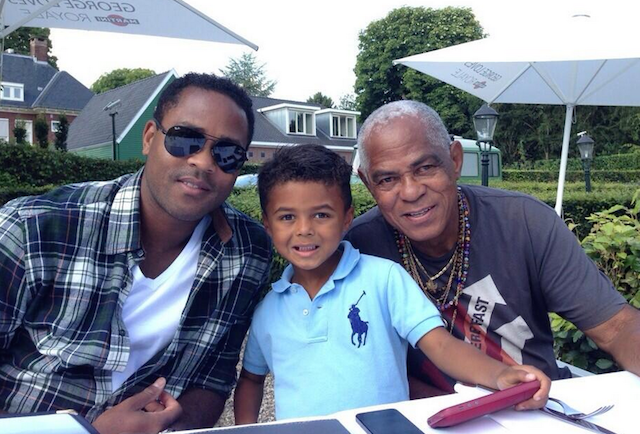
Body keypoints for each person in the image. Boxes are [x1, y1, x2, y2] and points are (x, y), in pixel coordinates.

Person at [0, 73, 272, 434]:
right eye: (185, 139)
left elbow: (213, 378)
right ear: (148, 138)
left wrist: (171, 427)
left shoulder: (247, 252)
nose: (204, 162)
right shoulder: (32, 229)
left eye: (227, 154)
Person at [233, 144, 549, 422]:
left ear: (346, 219)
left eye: (321, 215)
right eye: (287, 217)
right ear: (268, 225)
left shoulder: (384, 279)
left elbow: (440, 345)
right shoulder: (268, 310)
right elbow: (251, 379)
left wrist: (500, 375)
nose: (304, 229)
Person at [344, 100, 640, 398]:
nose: (410, 191)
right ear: (368, 184)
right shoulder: (357, 251)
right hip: (426, 415)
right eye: (387, 179)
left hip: (544, 408)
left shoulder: (524, 222)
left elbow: (617, 328)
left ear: (455, 160)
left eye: (425, 168)